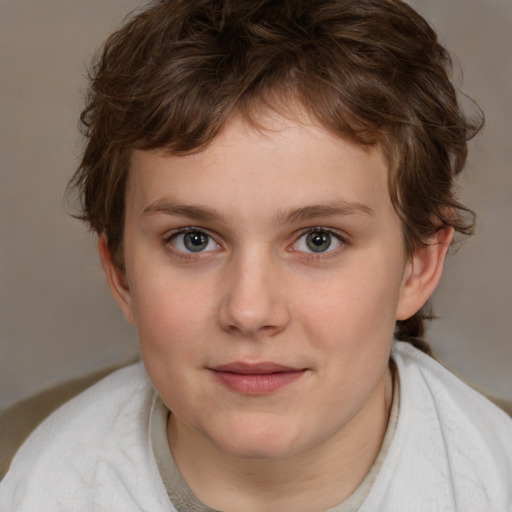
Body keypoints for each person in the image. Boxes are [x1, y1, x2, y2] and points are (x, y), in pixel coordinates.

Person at [1, 0, 511, 510]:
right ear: (121, 274)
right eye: (193, 240)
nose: (249, 311)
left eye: (318, 240)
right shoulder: (35, 484)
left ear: (417, 266)